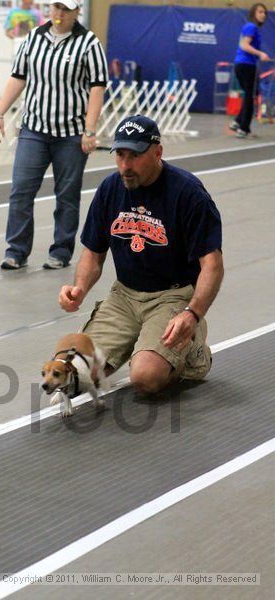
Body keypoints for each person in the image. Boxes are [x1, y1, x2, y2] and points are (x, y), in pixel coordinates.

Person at [59, 115, 224, 395]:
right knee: (72, 375)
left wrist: (193, 314)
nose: (125, 166)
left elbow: (213, 266)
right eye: (120, 155)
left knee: (146, 378)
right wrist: (80, 288)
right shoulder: (110, 189)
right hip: (124, 296)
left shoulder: (188, 193)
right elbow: (93, 253)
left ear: (157, 152)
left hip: (172, 296)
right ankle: (138, 337)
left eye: (134, 156)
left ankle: (193, 354)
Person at [0, 0, 108, 270]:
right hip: (34, 129)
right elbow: (18, 77)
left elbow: (96, 89)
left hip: (71, 133)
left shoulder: (89, 43)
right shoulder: (34, 37)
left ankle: (61, 250)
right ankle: (16, 251)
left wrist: (90, 131)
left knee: (66, 194)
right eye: (55, 8)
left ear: (77, 11)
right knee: (21, 190)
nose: (58, 14)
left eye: (65, 9)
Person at [229, 3, 270, 138]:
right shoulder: (251, 26)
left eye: (264, 12)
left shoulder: (252, 28)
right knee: (250, 96)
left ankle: (238, 122)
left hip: (244, 65)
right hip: (246, 65)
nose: (263, 14)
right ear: (253, 13)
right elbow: (244, 45)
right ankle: (243, 128)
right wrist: (260, 54)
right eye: (260, 12)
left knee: (250, 94)